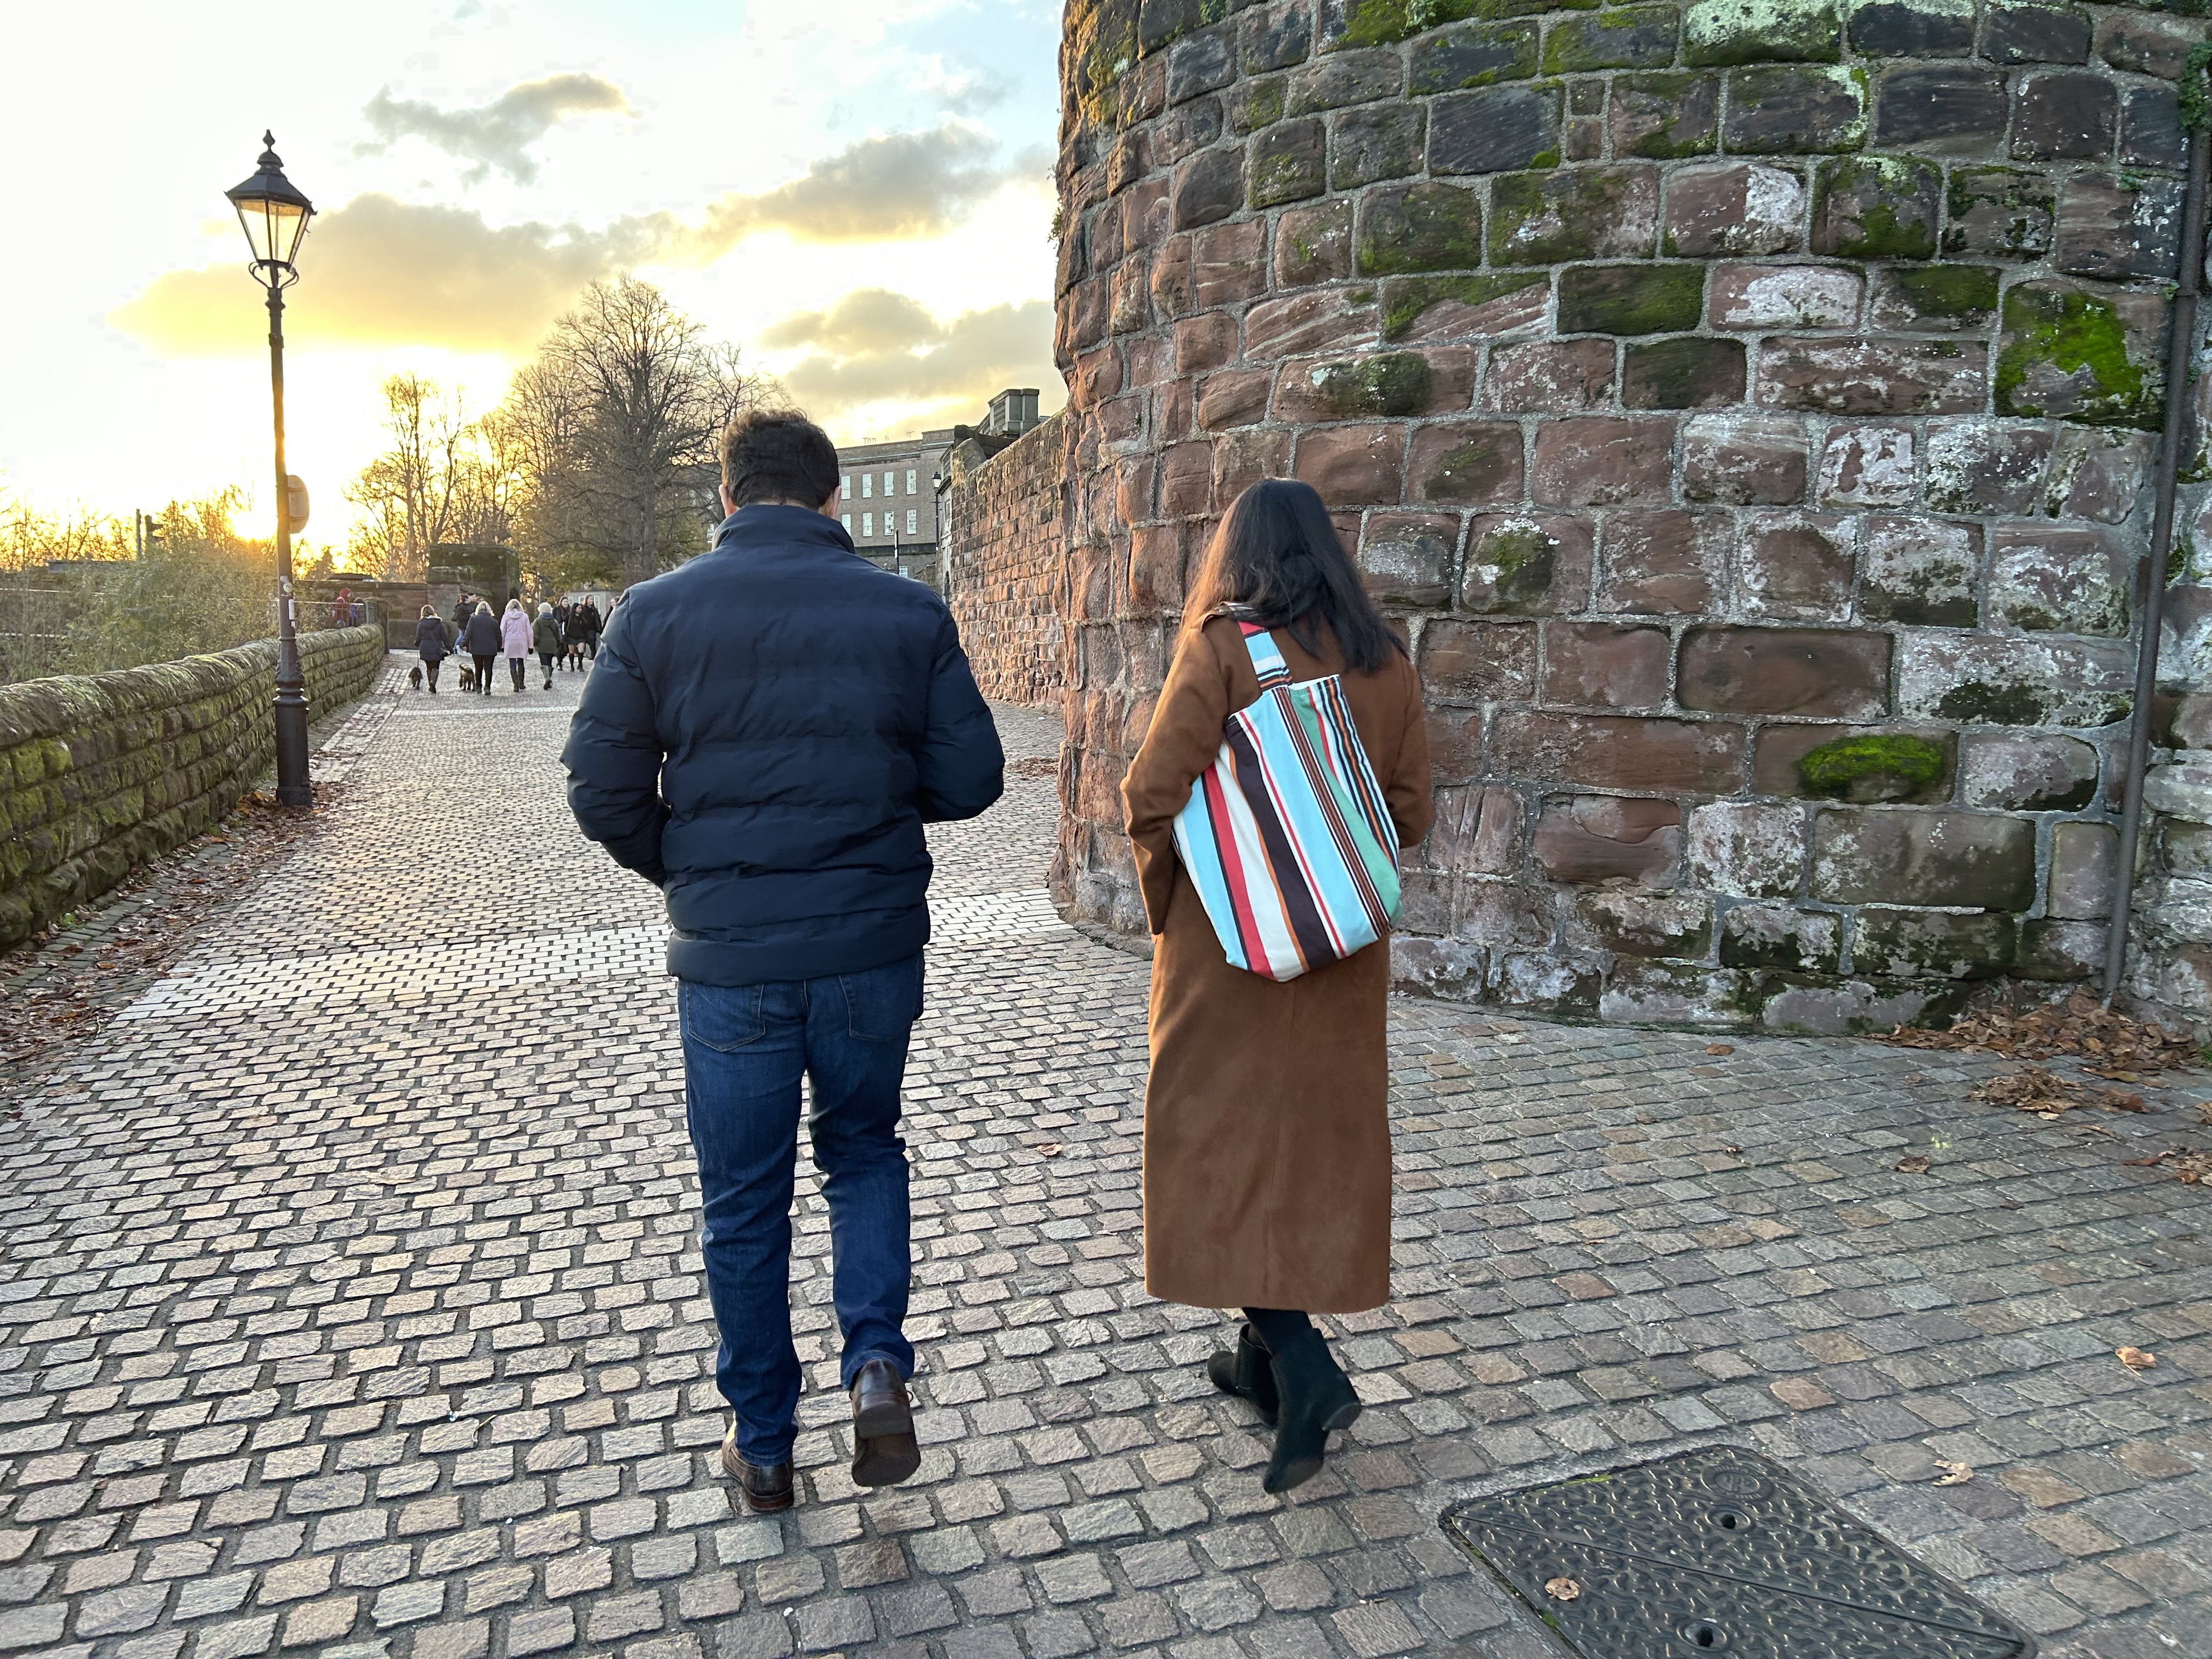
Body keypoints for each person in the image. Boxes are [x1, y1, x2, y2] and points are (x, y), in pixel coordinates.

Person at [563, 409, 1003, 1514]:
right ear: (832, 497)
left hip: (731, 964)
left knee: (744, 1202)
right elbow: (973, 779)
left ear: (726, 496)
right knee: (863, 1153)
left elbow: (600, 789)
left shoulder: (654, 616)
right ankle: (876, 1369)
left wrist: (691, 872)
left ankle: (763, 1448)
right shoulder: (909, 613)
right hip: (868, 949)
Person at [1120, 478, 1435, 1496]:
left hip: (1229, 955)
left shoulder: (1223, 645)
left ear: (1237, 553)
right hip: (1342, 954)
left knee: (1212, 1140)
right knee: (1310, 1145)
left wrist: (1178, 902)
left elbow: (1151, 790)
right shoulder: (1387, 662)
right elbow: (1410, 811)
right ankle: (1259, 1363)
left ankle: (1302, 1368)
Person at [463, 600, 501, 696]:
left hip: (476, 648)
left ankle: (479, 687)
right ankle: (487, 687)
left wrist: (464, 643)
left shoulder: (473, 620)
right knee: (488, 668)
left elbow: (468, 632)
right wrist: (499, 647)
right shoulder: (494, 621)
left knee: (478, 667)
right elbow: (498, 636)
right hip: (490, 648)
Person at [413, 603, 448, 693]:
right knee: (436, 667)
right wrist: (450, 649)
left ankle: (430, 685)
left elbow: (418, 638)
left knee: (429, 667)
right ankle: (433, 682)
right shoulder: (439, 623)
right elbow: (444, 637)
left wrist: (416, 644)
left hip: (425, 648)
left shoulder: (421, 624)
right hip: (437, 648)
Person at [501, 598, 532, 692]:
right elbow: (530, 632)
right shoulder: (525, 616)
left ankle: (515, 685)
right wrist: (531, 645)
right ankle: (521, 682)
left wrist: (502, 645)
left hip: (510, 640)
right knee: (521, 662)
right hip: (522, 641)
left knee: (512, 663)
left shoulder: (506, 616)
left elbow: (502, 631)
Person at [533, 602, 563, 690]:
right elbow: (558, 634)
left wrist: (534, 644)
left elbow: (536, 635)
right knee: (549, 662)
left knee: (544, 662)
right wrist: (558, 643)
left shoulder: (537, 621)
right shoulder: (554, 621)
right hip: (552, 644)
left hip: (541, 644)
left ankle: (547, 679)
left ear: (541, 611)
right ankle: (549, 680)